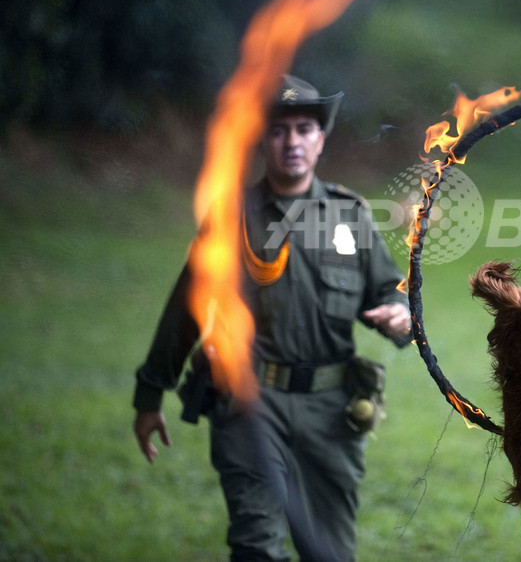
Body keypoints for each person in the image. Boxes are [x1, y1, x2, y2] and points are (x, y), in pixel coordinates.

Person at [132, 75, 412, 561]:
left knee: (329, 554)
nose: (292, 142)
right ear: (262, 139)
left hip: (331, 413)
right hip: (249, 406)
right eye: (279, 130)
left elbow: (387, 289)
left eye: (305, 129)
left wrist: (399, 315)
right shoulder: (231, 218)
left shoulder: (350, 215)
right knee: (255, 548)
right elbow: (186, 309)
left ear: (321, 140)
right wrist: (150, 393)